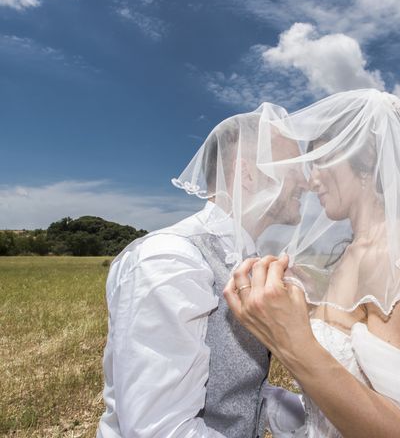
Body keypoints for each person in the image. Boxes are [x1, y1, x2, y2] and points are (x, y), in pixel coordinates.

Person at [222, 89, 400, 437]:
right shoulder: (353, 252)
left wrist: (292, 342)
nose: (312, 181)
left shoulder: (394, 258)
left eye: (321, 161)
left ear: (367, 158)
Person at [97, 105, 308, 438]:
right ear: (249, 174)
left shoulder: (245, 258)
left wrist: (326, 420)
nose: (306, 180)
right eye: (291, 166)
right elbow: (159, 429)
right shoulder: (170, 260)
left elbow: (239, 390)